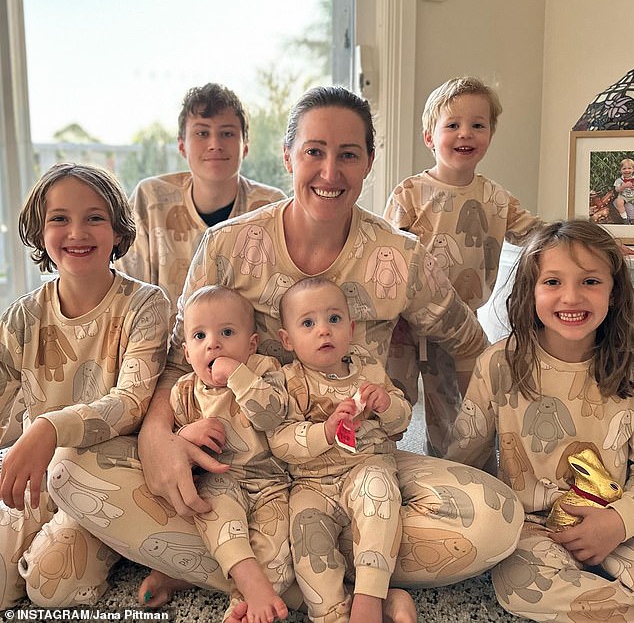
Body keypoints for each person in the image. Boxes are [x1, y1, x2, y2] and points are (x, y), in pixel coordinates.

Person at [47, 86, 525, 623]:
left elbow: (469, 341)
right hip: (234, 466)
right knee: (71, 468)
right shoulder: (226, 248)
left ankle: (245, 571)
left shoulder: (399, 256)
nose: (329, 171)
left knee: (498, 519)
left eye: (348, 154)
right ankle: (348, 580)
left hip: (353, 465)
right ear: (288, 156)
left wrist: (488, 443)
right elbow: (180, 360)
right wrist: (161, 437)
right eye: (314, 152)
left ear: (370, 161)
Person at [0, 162, 170, 608]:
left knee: (48, 587)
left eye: (94, 217)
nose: (77, 231)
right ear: (40, 233)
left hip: (108, 479)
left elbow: (130, 403)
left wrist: (48, 428)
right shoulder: (21, 318)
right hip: (40, 477)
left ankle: (118, 545)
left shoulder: (146, 306)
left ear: (117, 232)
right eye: (60, 219)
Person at [446, 219, 634, 621]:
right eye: (552, 282)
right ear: (530, 291)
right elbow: (465, 458)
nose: (571, 297)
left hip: (618, 514)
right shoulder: (499, 363)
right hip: (534, 523)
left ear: (615, 293)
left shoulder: (629, 367)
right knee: (520, 590)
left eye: (590, 282)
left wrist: (618, 522)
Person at [383, 76, 543, 459]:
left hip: (460, 323)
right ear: (429, 136)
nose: (465, 133)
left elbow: (534, 234)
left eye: (477, 125)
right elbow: (385, 250)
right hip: (402, 324)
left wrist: (579, 240)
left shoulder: (496, 197)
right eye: (452, 125)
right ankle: (380, 464)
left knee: (455, 410)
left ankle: (452, 472)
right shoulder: (409, 193)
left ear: (490, 133)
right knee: (390, 401)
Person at [140, 285, 291, 623]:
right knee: (215, 516)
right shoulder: (185, 392)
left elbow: (273, 415)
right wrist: (186, 435)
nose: (213, 343)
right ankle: (248, 586)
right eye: (199, 336)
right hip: (221, 479)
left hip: (272, 483)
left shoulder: (263, 370)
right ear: (188, 352)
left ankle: (240, 605)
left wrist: (238, 376)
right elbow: (177, 451)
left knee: (278, 550)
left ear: (251, 344)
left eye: (226, 332)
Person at [267, 277, 411, 622]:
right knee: (305, 539)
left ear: (351, 327)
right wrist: (325, 431)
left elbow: (402, 422)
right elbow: (280, 441)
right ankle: (332, 611)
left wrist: (387, 403)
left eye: (334, 319)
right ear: (287, 339)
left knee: (379, 491)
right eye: (308, 323)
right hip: (310, 483)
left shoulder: (367, 369)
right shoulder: (287, 380)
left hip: (365, 466)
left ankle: (369, 599)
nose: (323, 331)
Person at [115, 82, 287, 325]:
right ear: (182, 145)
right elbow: (127, 292)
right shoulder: (150, 199)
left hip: (248, 359)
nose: (215, 143)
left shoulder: (271, 206)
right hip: (161, 354)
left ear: (245, 147)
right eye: (202, 133)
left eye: (227, 133)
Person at [612, 158, 634, 223]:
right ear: (621, 170)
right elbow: (617, 190)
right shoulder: (619, 180)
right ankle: (624, 217)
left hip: (633, 197)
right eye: (624, 169)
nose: (627, 170)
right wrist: (623, 186)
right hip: (623, 196)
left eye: (629, 168)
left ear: (633, 169)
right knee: (619, 201)